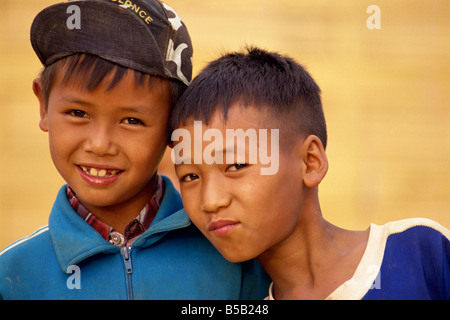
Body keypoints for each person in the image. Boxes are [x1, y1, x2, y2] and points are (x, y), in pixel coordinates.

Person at [0, 1, 269, 300]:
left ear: (172, 127)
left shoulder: (233, 252)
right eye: (78, 113)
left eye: (132, 120)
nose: (100, 145)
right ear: (43, 104)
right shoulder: (14, 274)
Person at [169, 46, 450, 300]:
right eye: (190, 177)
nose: (210, 200)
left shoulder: (420, 254)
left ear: (310, 162)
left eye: (235, 166)